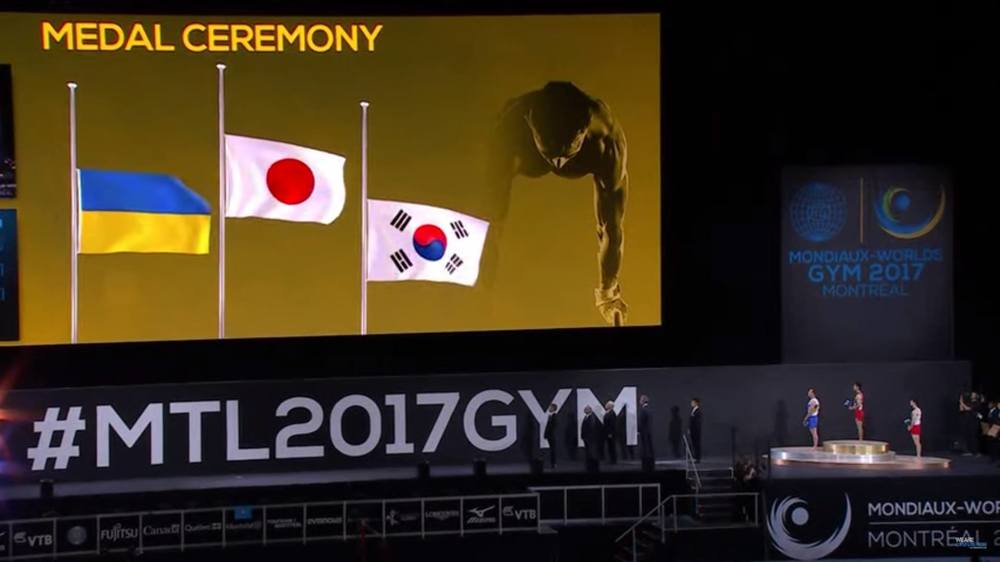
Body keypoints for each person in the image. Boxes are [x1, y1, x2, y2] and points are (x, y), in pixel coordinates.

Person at [488, 82, 629, 325]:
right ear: (530, 124)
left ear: (584, 130)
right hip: (524, 152)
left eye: (566, 156)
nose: (558, 165)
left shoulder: (607, 138)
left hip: (581, 152)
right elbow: (490, 215)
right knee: (491, 208)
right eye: (551, 156)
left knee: (611, 220)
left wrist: (608, 291)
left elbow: (611, 228)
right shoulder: (509, 130)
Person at [581, 405, 603, 472]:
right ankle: (590, 466)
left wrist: (589, 438)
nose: (585, 410)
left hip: (591, 439)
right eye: (585, 409)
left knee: (593, 453)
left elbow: (592, 429)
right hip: (587, 439)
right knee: (589, 453)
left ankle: (594, 467)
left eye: (587, 409)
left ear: (590, 410)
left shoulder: (593, 417)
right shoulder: (586, 417)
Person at [638, 395, 654, 460]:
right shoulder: (649, 409)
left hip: (644, 431)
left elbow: (641, 422)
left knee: (645, 446)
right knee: (649, 445)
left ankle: (646, 458)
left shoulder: (643, 410)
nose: (639, 401)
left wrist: (639, 430)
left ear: (643, 401)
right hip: (649, 430)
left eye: (640, 400)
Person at [543, 403, 559, 468]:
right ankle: (552, 463)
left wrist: (550, 434)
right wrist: (545, 434)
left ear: (553, 408)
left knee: (553, 450)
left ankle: (554, 463)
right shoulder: (550, 416)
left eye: (550, 407)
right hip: (550, 436)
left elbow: (554, 427)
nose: (549, 408)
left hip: (552, 436)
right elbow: (547, 426)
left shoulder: (555, 416)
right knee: (552, 450)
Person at [689, 398, 703, 462]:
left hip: (696, 431)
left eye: (693, 402)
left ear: (696, 403)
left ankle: (697, 458)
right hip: (693, 431)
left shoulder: (698, 411)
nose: (691, 403)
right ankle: (695, 457)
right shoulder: (693, 410)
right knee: (694, 445)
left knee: (697, 445)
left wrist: (695, 431)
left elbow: (697, 422)